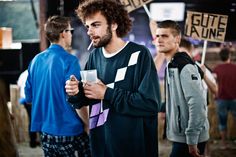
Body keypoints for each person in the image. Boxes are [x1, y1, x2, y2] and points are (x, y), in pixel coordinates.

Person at [65, 0, 161, 157]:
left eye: (96, 25)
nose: (89, 31)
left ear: (114, 24)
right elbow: (88, 97)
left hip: (132, 148)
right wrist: (75, 92)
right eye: (88, 26)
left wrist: (107, 93)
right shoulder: (94, 56)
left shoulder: (139, 55)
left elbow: (150, 104)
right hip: (101, 146)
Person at [24, 15, 91, 156]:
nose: (71, 34)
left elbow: (29, 97)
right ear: (63, 34)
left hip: (45, 132)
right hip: (70, 131)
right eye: (70, 30)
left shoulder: (36, 60)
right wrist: (88, 124)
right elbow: (76, 99)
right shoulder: (70, 61)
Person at [155, 20, 209, 157]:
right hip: (182, 136)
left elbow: (198, 104)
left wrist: (191, 140)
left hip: (189, 139)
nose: (159, 40)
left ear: (177, 39)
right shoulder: (172, 65)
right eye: (158, 36)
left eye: (165, 36)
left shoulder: (185, 66)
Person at [213, 48, 236, 149]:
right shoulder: (235, 68)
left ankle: (223, 144)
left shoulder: (217, 69)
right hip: (234, 98)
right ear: (229, 56)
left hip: (221, 98)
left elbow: (214, 83)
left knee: (222, 122)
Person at [17, 69, 40, 148]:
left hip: (25, 100)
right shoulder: (36, 73)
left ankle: (33, 142)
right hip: (33, 100)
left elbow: (18, 86)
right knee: (38, 120)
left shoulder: (23, 74)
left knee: (32, 120)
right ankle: (39, 141)